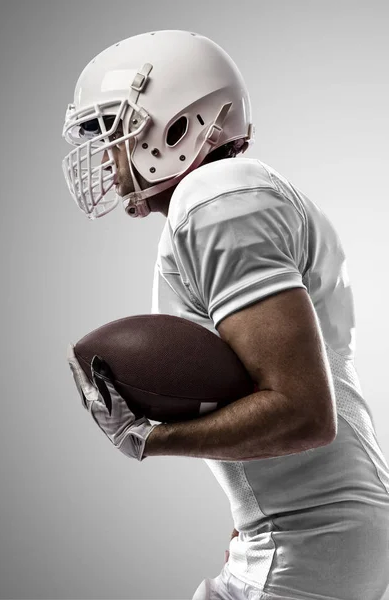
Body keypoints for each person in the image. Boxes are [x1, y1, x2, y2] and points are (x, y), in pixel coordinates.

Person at [63, 30, 389, 600]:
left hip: (310, 539)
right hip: (312, 532)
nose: (108, 154)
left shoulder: (219, 198)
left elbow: (304, 413)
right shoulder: (228, 200)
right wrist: (252, 512)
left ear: (177, 126)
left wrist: (150, 438)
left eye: (116, 129)